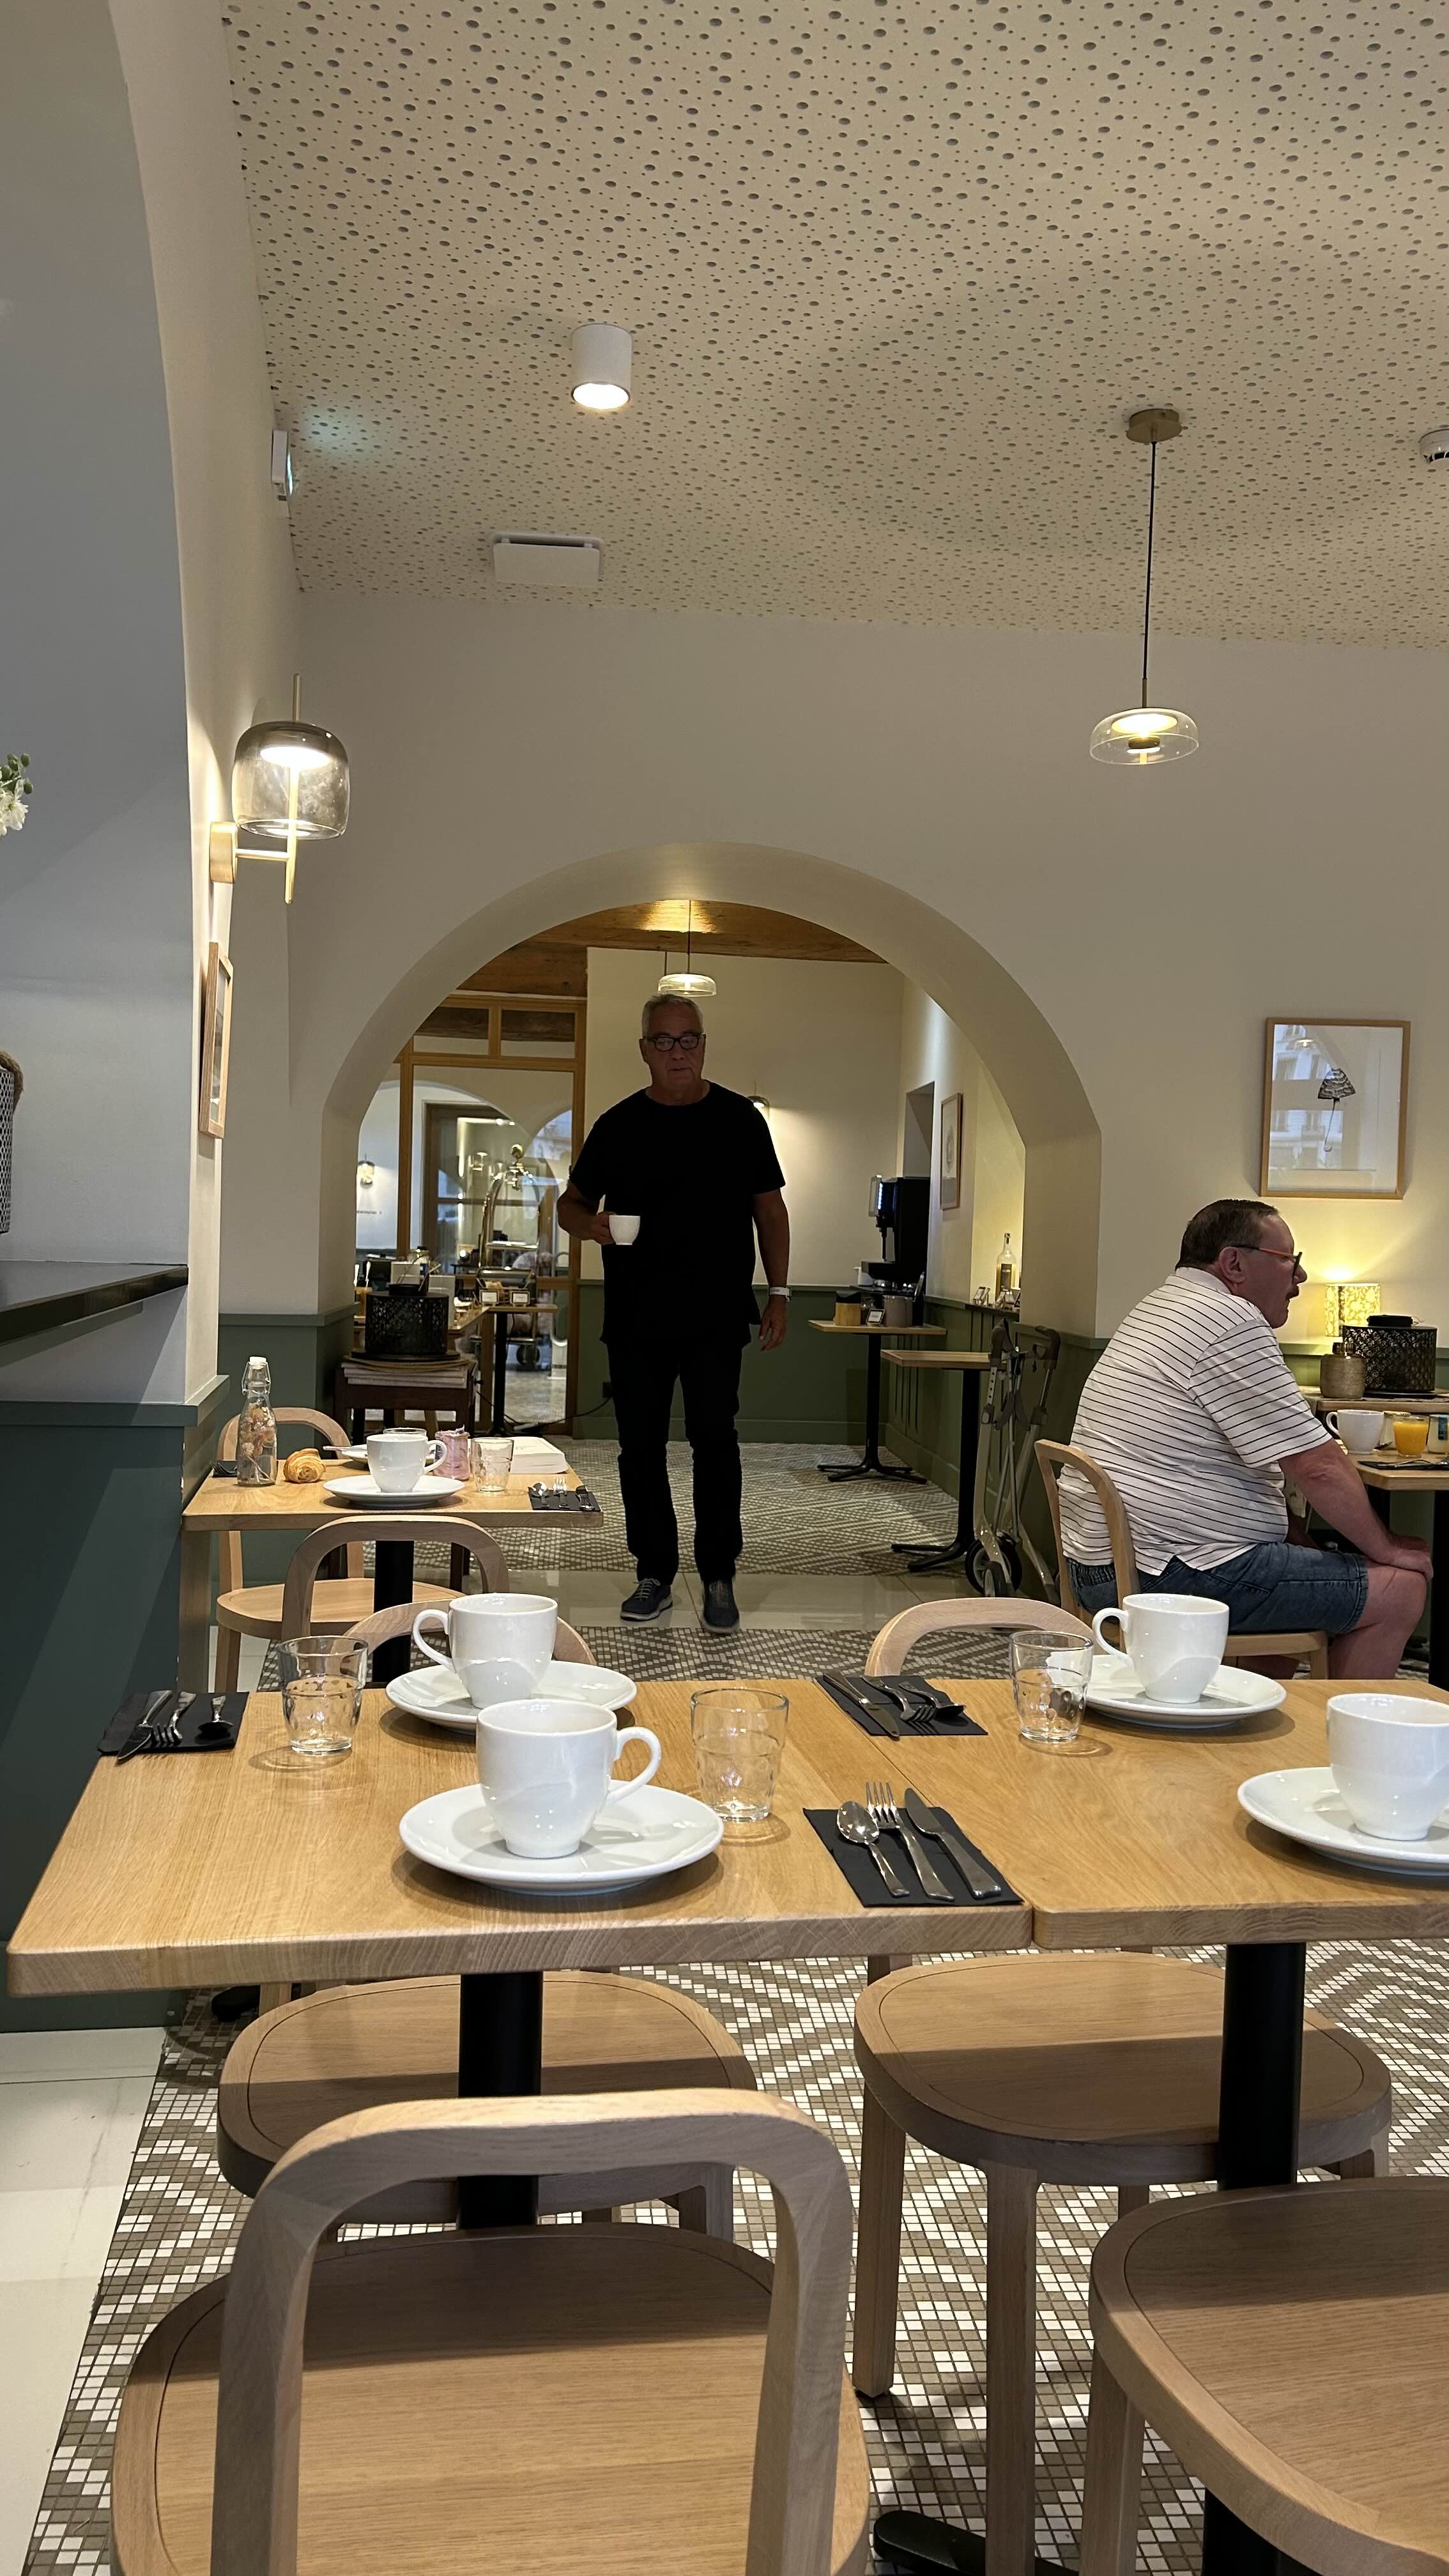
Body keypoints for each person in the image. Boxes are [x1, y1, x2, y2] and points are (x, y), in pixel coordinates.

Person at [1059, 1198, 1430, 1678]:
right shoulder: (1230, 1322)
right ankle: (1339, 1728)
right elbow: (1317, 1467)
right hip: (1166, 1574)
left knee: (1298, 1555)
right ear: (1234, 1263)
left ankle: (1257, 1718)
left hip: (1098, 1566)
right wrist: (1388, 1549)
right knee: (1401, 1588)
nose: (1300, 1277)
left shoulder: (1161, 1308)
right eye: (1288, 1260)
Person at [558, 993, 790, 1630]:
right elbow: (570, 1203)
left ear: (704, 1045)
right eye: (664, 1041)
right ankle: (654, 1573)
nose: (677, 1052)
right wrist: (589, 1226)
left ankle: (718, 1574)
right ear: (645, 1050)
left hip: (717, 1314)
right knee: (640, 1449)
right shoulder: (618, 1125)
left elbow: (770, 1210)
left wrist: (780, 1293)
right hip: (636, 1317)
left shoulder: (740, 1120)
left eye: (688, 1039)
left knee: (716, 1443)